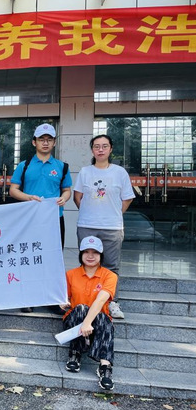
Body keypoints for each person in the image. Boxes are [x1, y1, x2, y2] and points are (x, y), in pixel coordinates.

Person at [9, 123, 71, 313]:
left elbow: (67, 190)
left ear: (54, 143)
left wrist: (64, 198)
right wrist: (28, 197)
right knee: (29, 257)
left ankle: (52, 299)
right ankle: (28, 297)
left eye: (49, 139)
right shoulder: (24, 165)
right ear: (34, 142)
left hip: (54, 220)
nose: (45, 143)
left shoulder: (62, 166)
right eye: (41, 139)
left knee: (53, 259)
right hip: (30, 220)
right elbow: (13, 190)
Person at [73, 134, 134, 319]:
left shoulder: (120, 172)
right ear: (92, 150)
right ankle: (85, 300)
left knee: (111, 266)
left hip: (112, 227)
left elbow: (127, 198)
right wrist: (91, 212)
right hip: (87, 225)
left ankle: (112, 302)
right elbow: (77, 197)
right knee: (87, 264)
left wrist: (113, 213)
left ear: (110, 149)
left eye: (104, 146)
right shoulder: (85, 172)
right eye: (97, 146)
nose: (100, 149)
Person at [62, 236, 117, 391]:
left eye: (95, 252)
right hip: (75, 321)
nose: (90, 256)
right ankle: (75, 354)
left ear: (101, 255)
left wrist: (87, 323)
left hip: (97, 324)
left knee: (102, 316)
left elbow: (101, 300)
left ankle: (105, 367)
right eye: (86, 251)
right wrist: (62, 303)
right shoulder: (71, 274)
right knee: (80, 308)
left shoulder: (110, 276)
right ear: (81, 254)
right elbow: (63, 298)